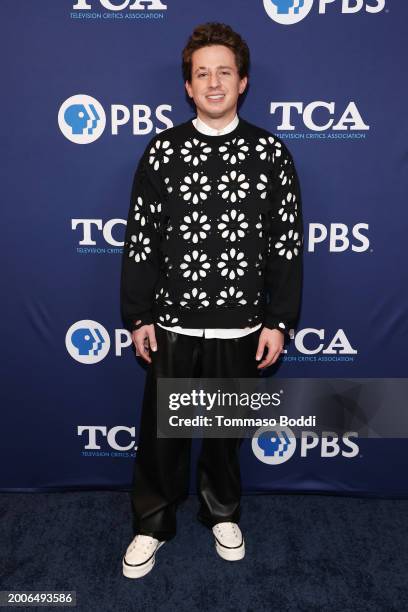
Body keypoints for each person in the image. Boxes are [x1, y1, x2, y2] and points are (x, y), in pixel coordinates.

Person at [120, 22, 304, 579]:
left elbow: (287, 244)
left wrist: (279, 321)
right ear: (188, 87)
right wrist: (138, 314)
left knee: (224, 438)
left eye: (224, 71)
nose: (214, 82)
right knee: (161, 438)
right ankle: (151, 524)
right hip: (173, 324)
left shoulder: (271, 152)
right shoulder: (162, 151)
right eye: (203, 73)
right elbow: (142, 240)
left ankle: (221, 511)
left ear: (243, 82)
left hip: (241, 326)